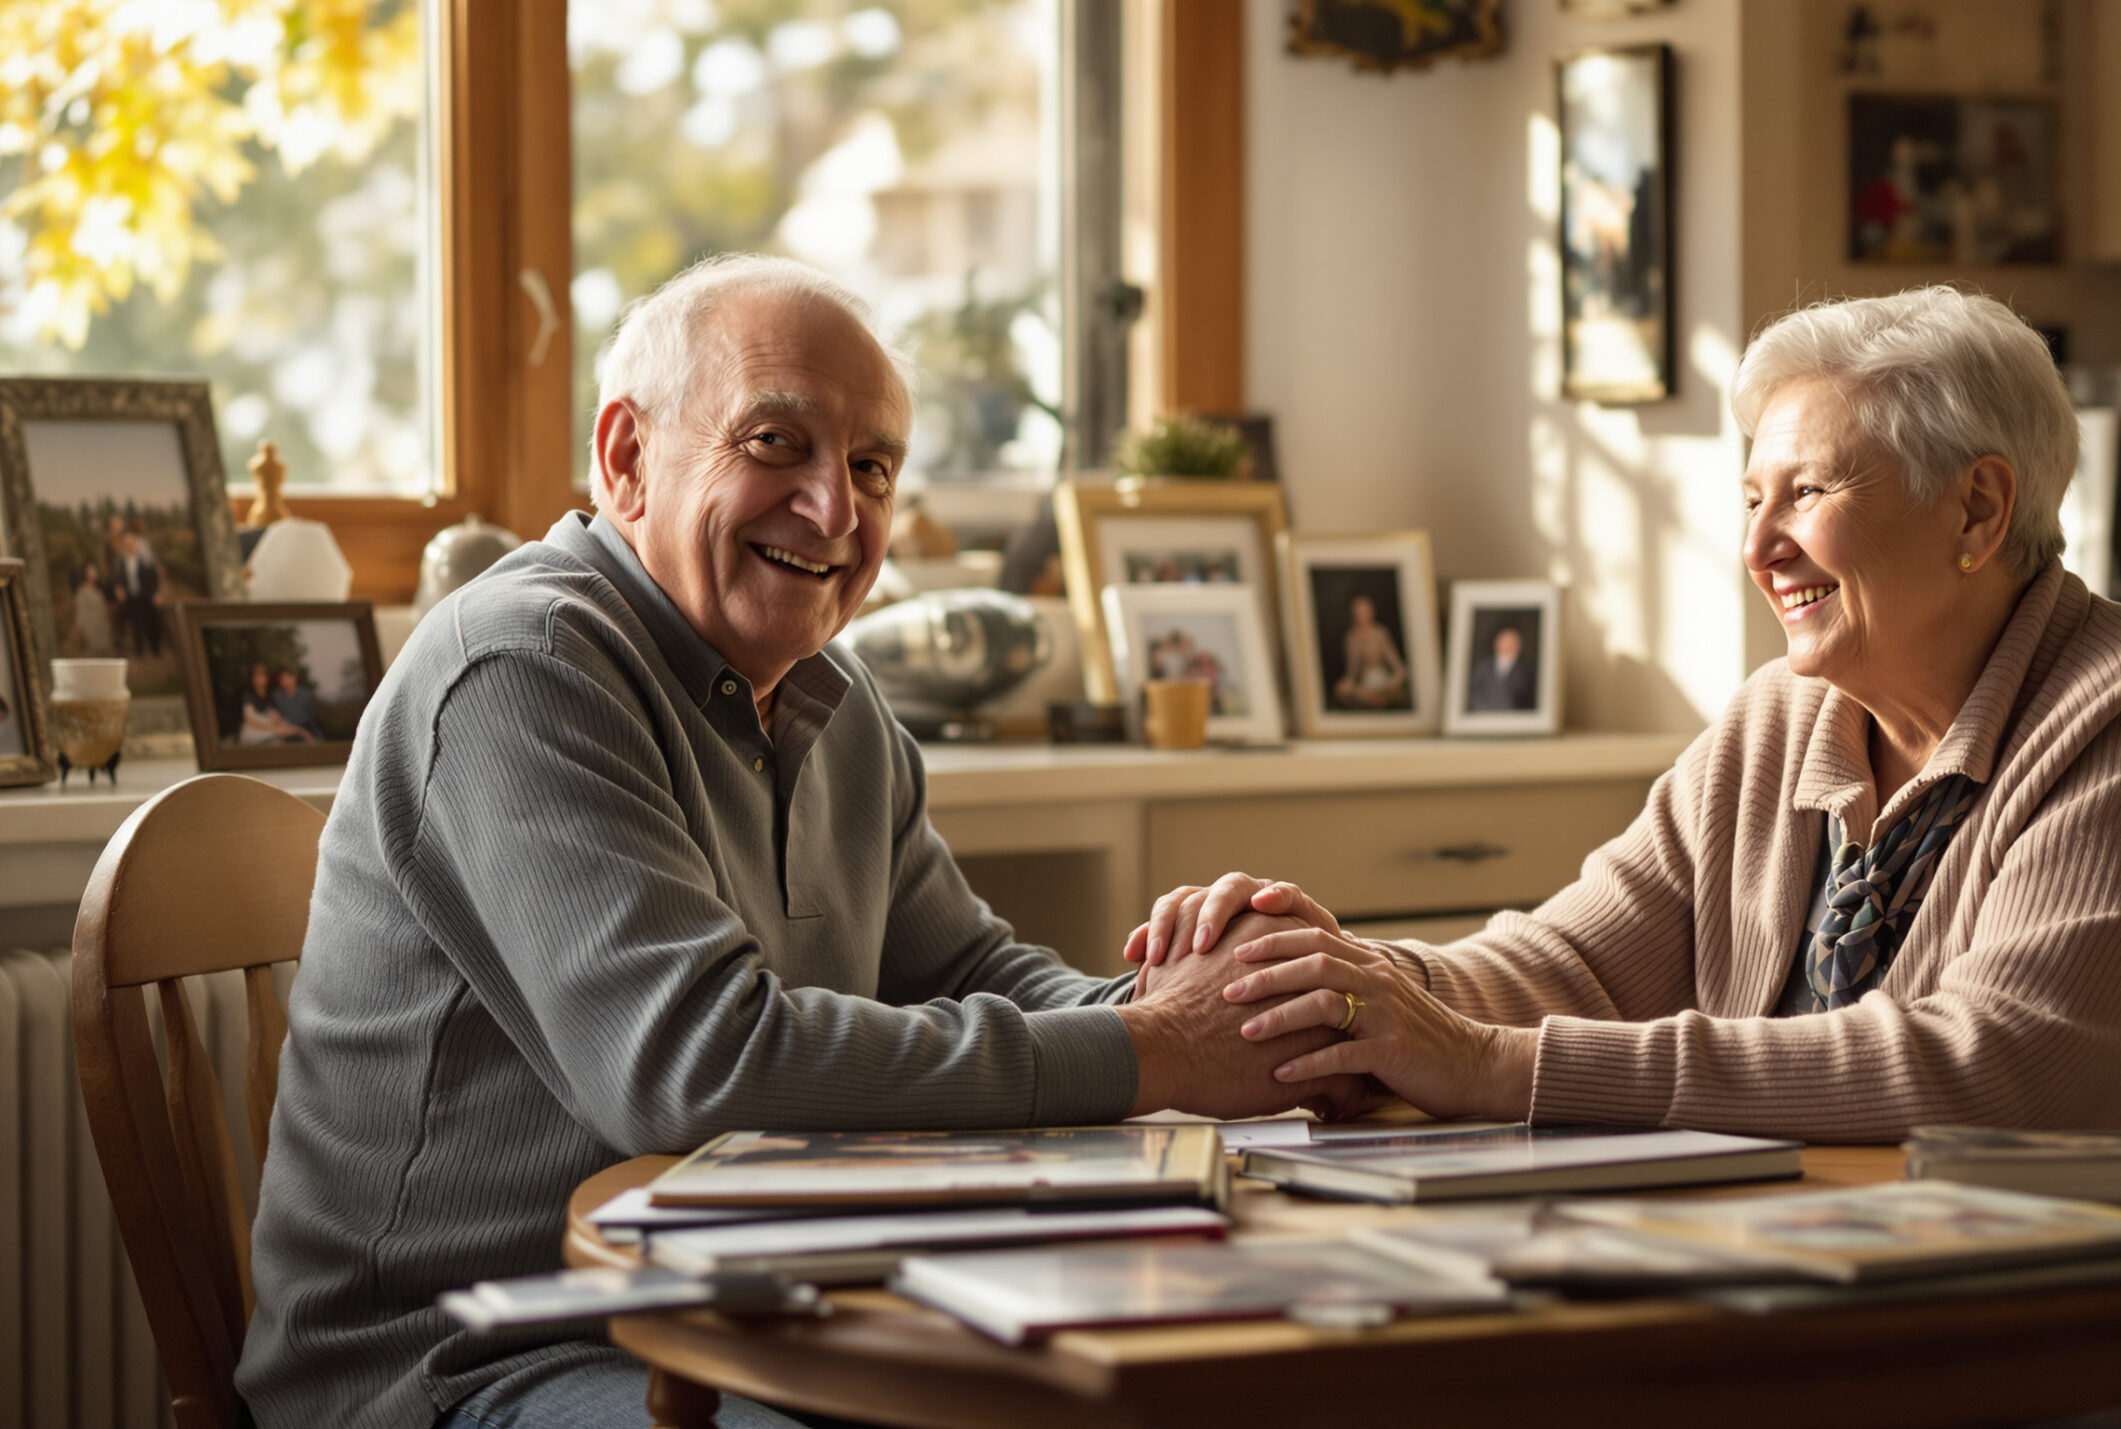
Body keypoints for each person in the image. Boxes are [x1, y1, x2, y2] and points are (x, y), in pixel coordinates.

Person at [1131, 287, 2121, 1429]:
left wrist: (1490, 1066)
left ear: (1980, 507)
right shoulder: (1783, 721)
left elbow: (1998, 1073)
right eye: (1751, 497)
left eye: (1807, 492)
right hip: (1871, 1333)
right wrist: (1346, 986)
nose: (1758, 546)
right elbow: (1576, 954)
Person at [237, 253, 1353, 1429]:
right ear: (626, 458)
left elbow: (969, 968)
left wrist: (1214, 999)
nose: (835, 510)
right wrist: (1155, 1048)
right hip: (474, 1355)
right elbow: (695, 1067)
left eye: (871, 467)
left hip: (737, 1299)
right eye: (777, 444)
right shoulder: (521, 668)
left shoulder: (835, 698)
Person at [1329, 594, 1407, 708]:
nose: (1362, 615)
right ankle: (1374, 699)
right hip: (1365, 685)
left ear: (1371, 612)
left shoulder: (1380, 633)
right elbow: (1352, 670)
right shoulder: (1352, 637)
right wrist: (1347, 682)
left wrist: (1396, 678)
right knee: (1342, 690)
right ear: (1353, 614)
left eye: (1364, 611)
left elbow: (1398, 666)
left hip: (1383, 681)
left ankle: (1378, 698)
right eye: (1358, 612)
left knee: (1395, 690)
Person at [113, 525, 165, 658]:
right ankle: (140, 651)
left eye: (131, 543)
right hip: (131, 597)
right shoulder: (122, 562)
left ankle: (156, 650)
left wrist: (157, 594)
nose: (129, 546)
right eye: (127, 544)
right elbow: (119, 580)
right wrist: (119, 589)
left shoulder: (145, 559)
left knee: (151, 623)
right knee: (136, 625)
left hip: (147, 596)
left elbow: (155, 577)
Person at [234, 662, 312, 745]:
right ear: (252, 678)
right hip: (254, 730)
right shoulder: (248, 695)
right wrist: (274, 729)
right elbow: (250, 719)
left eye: (263, 675)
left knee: (293, 730)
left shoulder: (268, 695)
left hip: (269, 727)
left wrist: (288, 727)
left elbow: (274, 715)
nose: (260, 679)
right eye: (257, 676)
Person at [1466, 624, 1536, 712]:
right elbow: (1474, 693)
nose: (1507, 646)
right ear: (1497, 644)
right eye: (1504, 642)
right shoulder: (1484, 666)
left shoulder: (1527, 669)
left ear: (1518, 645)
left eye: (1511, 643)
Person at [269, 663, 326, 741]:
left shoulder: (305, 695)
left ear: (294, 678)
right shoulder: (276, 697)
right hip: (287, 730)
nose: (284, 681)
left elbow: (311, 717)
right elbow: (275, 717)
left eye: (286, 678)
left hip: (306, 727)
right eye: (281, 679)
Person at [70, 562, 113, 656]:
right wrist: (80, 628)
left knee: (104, 653)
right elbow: (80, 611)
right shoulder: (82, 592)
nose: (93, 575)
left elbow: (103, 607)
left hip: (101, 626)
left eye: (94, 572)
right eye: (90, 572)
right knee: (92, 654)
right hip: (90, 628)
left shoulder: (99, 590)